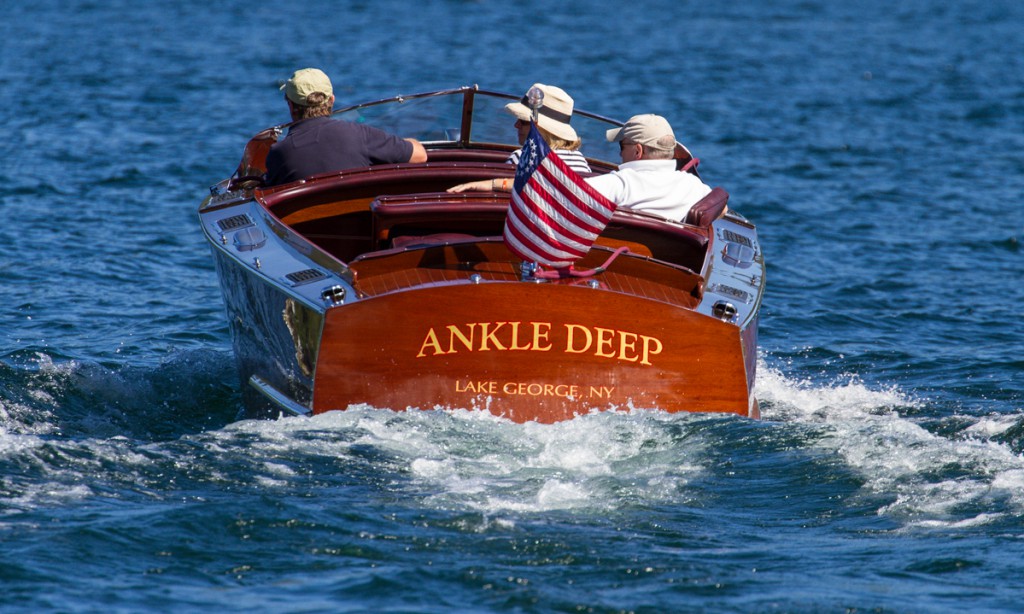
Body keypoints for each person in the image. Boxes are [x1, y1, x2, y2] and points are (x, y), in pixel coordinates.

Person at [449, 113, 710, 223]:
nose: (618, 153)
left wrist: (488, 184)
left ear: (638, 152)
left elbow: (548, 190)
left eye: (621, 146)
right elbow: (718, 209)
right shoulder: (696, 188)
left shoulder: (619, 183)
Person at [264, 68, 427, 186]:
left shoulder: (279, 154)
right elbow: (420, 155)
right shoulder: (360, 135)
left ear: (290, 105)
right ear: (332, 100)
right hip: (361, 231)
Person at [503, 83, 591, 174]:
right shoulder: (580, 161)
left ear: (543, 129)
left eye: (523, 120)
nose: (516, 125)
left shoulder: (521, 158)